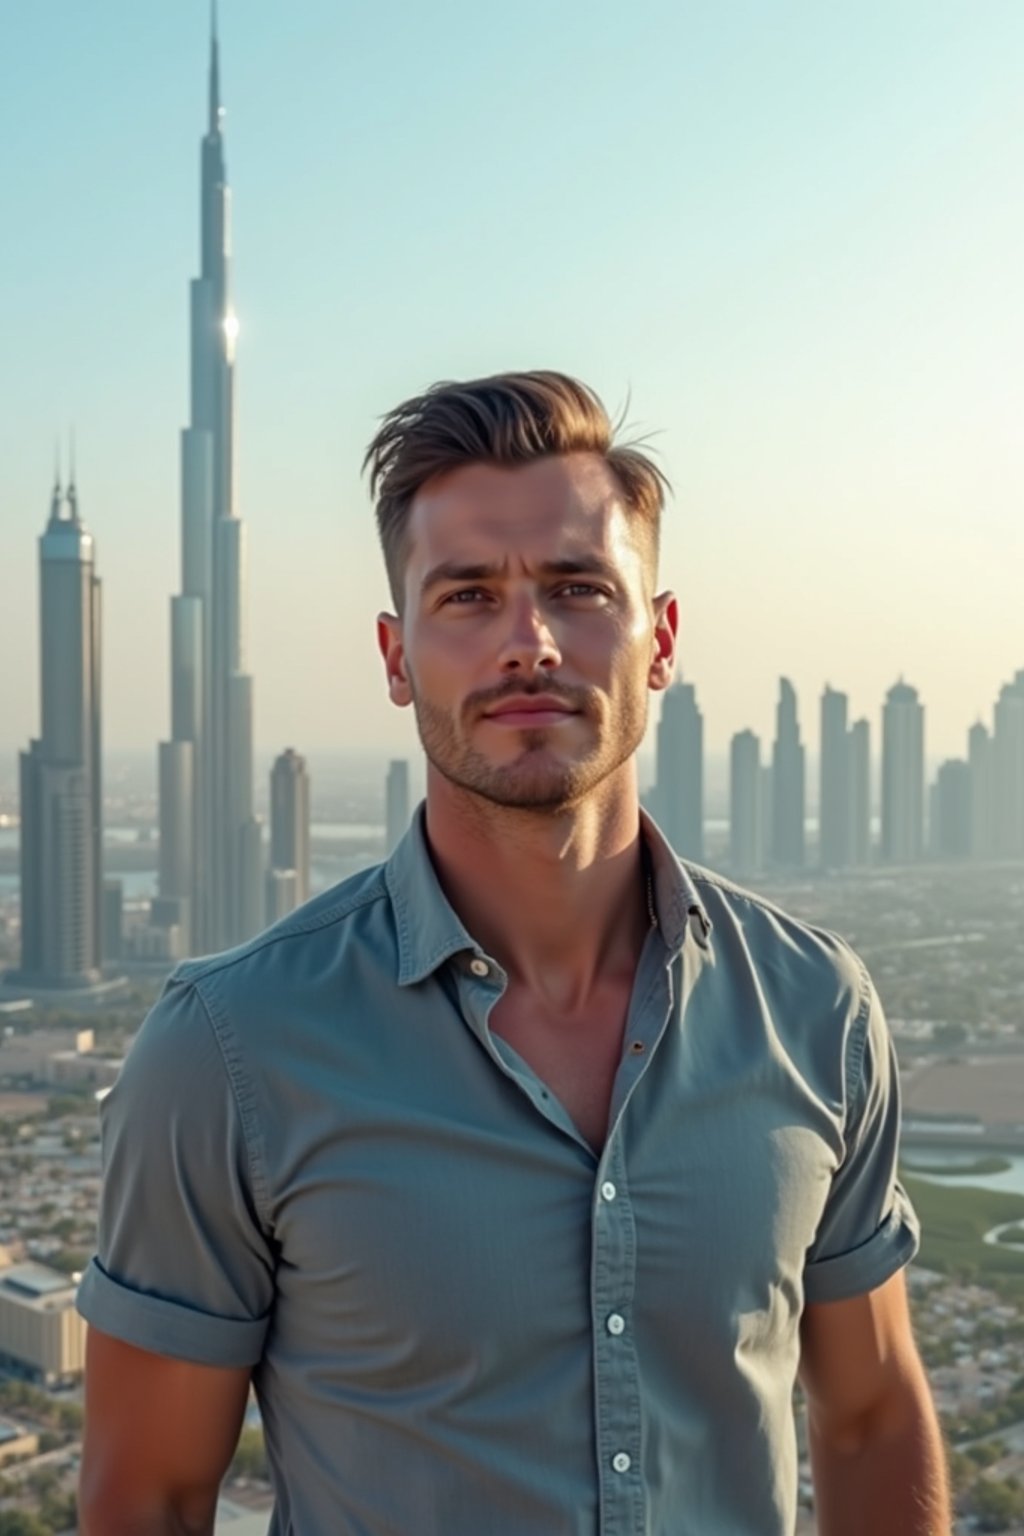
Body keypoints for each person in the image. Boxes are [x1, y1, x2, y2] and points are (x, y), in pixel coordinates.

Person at [77, 371, 949, 1536]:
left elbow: (872, 1416)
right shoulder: (228, 1053)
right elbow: (151, 1500)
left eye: (578, 588)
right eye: (468, 596)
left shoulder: (814, 1010)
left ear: (662, 638)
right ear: (395, 659)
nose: (527, 642)